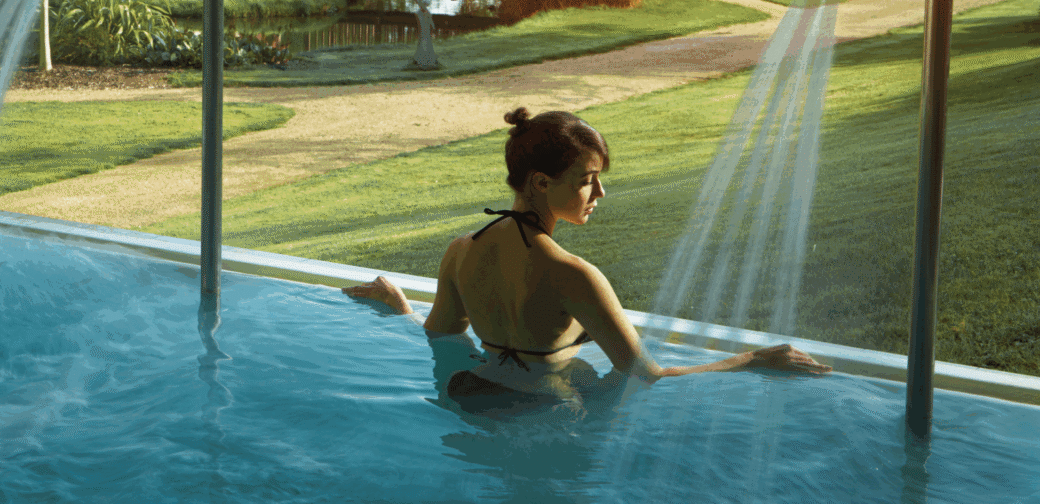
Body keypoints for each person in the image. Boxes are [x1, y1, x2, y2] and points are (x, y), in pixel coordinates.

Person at [343, 107, 830, 405]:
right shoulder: (574, 276)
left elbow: (440, 343)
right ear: (540, 182)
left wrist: (401, 309)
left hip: (470, 400)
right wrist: (752, 358)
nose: (600, 192)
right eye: (585, 179)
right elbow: (650, 378)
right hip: (549, 415)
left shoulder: (460, 252)